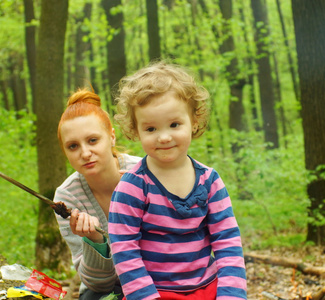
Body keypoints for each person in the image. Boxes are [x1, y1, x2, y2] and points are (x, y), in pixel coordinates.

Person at [109, 61, 247, 300]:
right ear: (135, 130)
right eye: (150, 129)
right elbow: (124, 249)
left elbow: (227, 241)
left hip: (208, 289)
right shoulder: (133, 187)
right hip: (154, 292)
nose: (164, 137)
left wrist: (231, 295)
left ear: (194, 120)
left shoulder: (209, 181)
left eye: (174, 124)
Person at [54, 88, 141, 300]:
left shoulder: (144, 174)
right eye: (73, 146)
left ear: (111, 136)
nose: (85, 153)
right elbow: (96, 284)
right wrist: (95, 241)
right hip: (106, 292)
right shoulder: (67, 198)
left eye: (93, 140)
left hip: (156, 279)